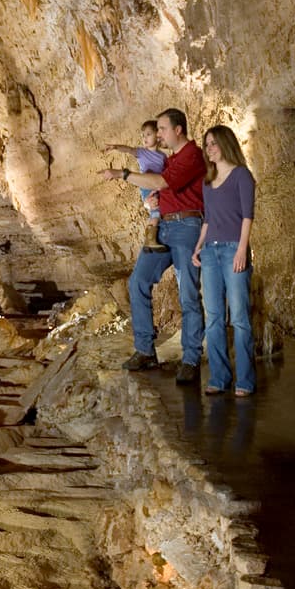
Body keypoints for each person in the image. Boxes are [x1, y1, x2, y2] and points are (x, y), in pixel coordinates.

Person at [100, 108, 205, 383]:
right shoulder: (170, 159)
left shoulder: (192, 155)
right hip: (164, 227)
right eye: (157, 130)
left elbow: (161, 182)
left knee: (187, 292)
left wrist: (123, 174)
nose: (158, 134)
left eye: (162, 129)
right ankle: (145, 350)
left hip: (186, 226)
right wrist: (150, 202)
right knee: (138, 281)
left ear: (178, 130)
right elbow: (160, 187)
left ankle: (191, 359)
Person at [190, 125, 256, 396]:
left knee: (239, 318)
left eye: (213, 143)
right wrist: (198, 247)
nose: (209, 149)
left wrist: (242, 250)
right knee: (214, 317)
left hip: (232, 251)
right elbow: (208, 220)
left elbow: (247, 216)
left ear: (226, 144)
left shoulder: (242, 175)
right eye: (207, 144)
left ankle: (245, 381)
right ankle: (219, 377)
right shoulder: (208, 182)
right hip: (210, 252)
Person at [106, 120, 167, 251]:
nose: (145, 138)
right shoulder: (142, 152)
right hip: (146, 186)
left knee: (160, 210)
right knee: (155, 211)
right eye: (143, 135)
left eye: (148, 134)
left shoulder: (163, 156)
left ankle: (153, 239)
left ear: (158, 135)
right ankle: (150, 240)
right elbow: (129, 149)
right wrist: (116, 147)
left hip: (157, 186)